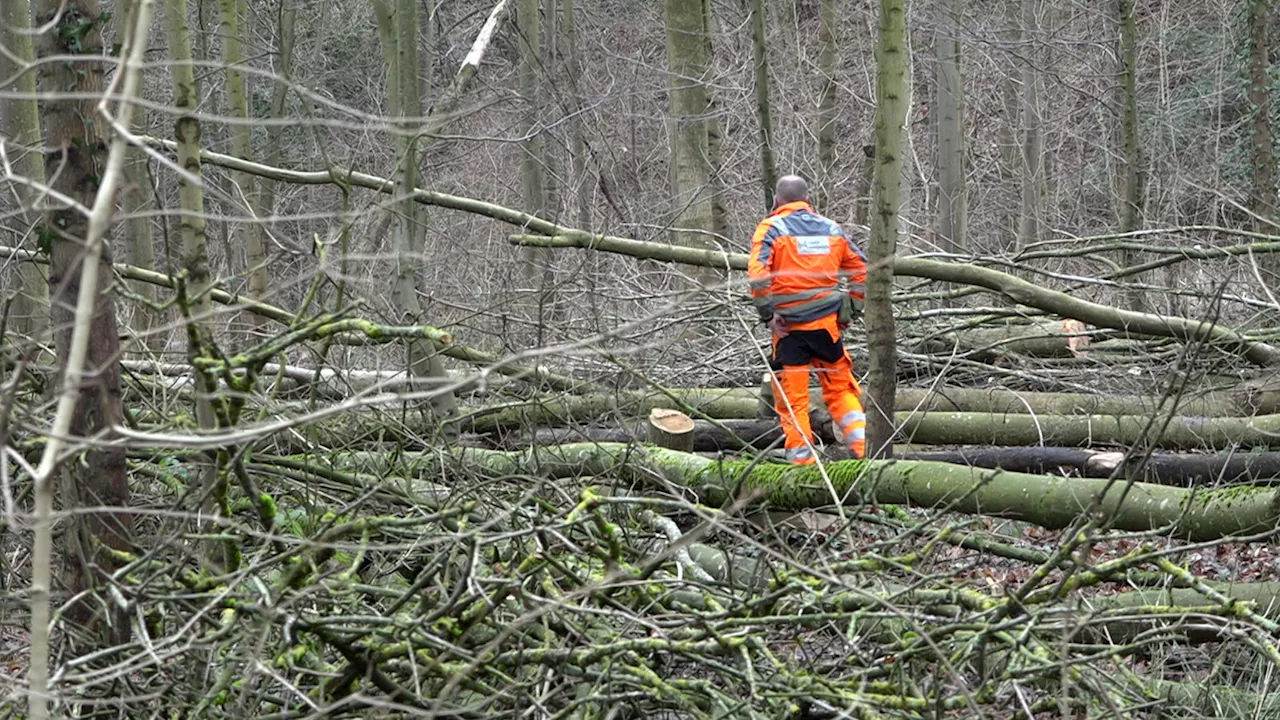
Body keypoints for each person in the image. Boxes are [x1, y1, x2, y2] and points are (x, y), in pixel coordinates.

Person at [748, 175, 868, 463]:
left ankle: (803, 465)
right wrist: (851, 309)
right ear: (807, 199)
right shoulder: (831, 229)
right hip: (827, 327)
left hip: (789, 331)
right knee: (841, 391)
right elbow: (861, 268)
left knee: (794, 401)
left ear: (777, 200)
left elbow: (757, 274)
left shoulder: (771, 228)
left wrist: (768, 315)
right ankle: (866, 451)